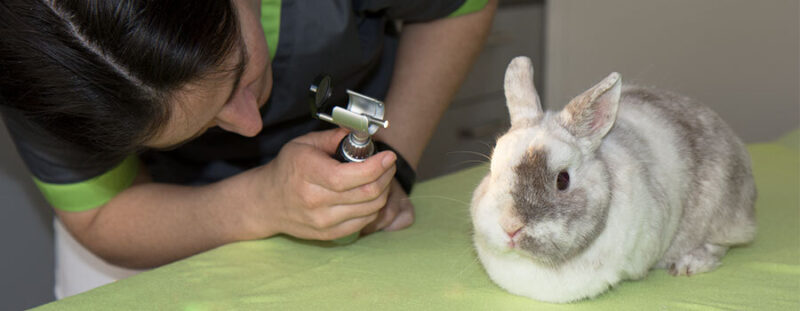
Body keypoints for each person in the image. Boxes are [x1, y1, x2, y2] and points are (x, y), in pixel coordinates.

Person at [0, 0, 497, 298]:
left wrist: (391, 162)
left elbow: (460, 8)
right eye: (202, 125)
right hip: (151, 212)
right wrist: (260, 203)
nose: (248, 123)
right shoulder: (40, 60)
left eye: (240, 74)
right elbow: (101, 213)